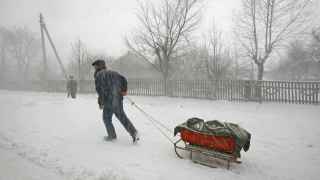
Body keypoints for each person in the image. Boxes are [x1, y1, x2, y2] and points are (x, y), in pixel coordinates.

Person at [92, 59, 139, 143]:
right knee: (121, 117)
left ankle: (112, 135)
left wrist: (101, 102)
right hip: (117, 98)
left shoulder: (99, 75)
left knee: (106, 118)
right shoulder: (113, 72)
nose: (94, 68)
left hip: (108, 100)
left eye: (95, 66)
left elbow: (100, 90)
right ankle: (134, 132)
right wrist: (124, 90)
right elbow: (123, 79)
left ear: (98, 66)